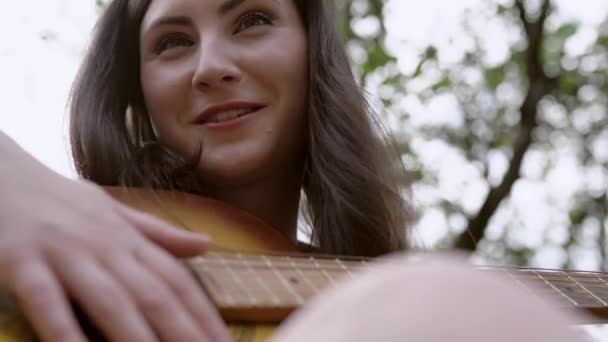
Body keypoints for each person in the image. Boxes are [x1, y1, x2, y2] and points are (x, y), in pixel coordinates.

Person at [0, 0, 589, 341]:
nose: (211, 66)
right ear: (137, 92)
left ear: (314, 56)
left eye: (252, 19)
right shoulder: (45, 219)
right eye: (172, 42)